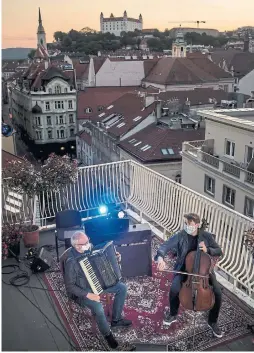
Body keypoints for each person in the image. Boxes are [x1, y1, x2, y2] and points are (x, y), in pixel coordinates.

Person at [155, 213, 223, 338]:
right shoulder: (180, 235)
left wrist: (207, 249)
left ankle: (212, 321)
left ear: (197, 225)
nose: (186, 226)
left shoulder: (206, 237)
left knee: (218, 293)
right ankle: (173, 314)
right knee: (174, 289)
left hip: (204, 272)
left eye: (189, 224)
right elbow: (165, 246)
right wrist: (160, 258)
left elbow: (219, 251)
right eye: (185, 223)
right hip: (184, 268)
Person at [64, 231, 135, 351]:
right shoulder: (71, 262)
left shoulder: (88, 248)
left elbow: (99, 259)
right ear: (77, 246)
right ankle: (108, 337)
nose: (89, 244)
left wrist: (116, 257)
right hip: (82, 290)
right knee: (98, 308)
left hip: (96, 281)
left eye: (88, 240)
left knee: (122, 288)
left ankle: (116, 320)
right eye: (85, 243)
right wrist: (88, 294)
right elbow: (69, 286)